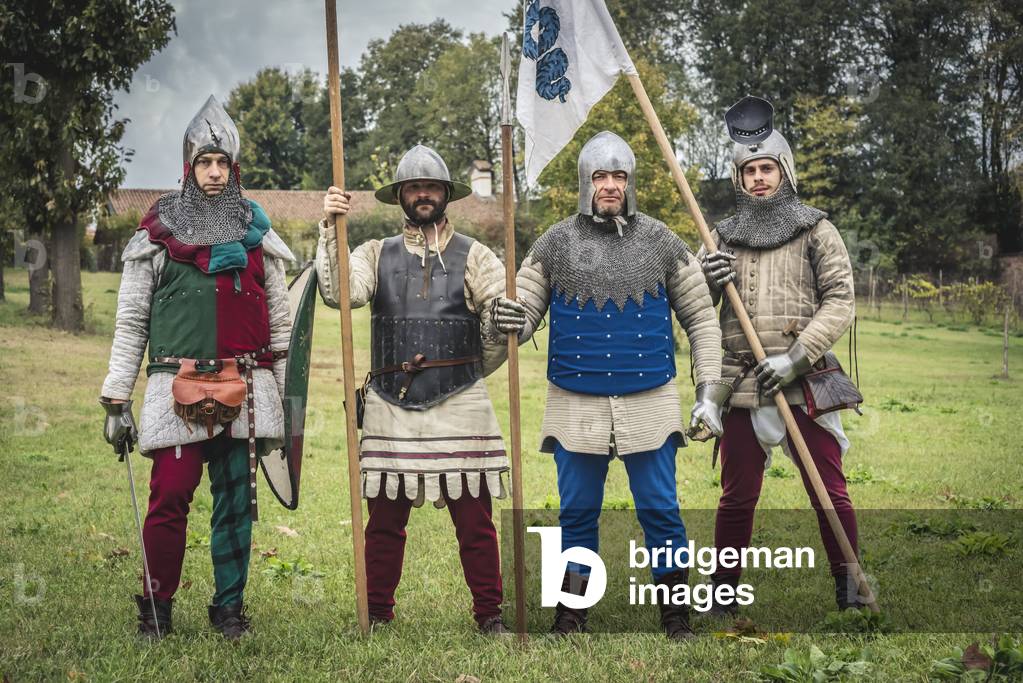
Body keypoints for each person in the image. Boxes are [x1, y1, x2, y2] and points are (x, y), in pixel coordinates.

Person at [505, 131, 728, 640]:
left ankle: (675, 618)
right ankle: (571, 615)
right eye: (601, 176)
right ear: (585, 182)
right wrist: (508, 316)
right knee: (576, 515)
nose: (610, 185)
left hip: (650, 399)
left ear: (630, 183)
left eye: (619, 176)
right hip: (574, 402)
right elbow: (524, 318)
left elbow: (701, 321)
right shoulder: (554, 244)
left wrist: (708, 394)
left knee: (661, 512)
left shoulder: (663, 242)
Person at [100, 95, 295, 639]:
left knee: (236, 505)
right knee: (169, 499)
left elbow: (280, 327)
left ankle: (228, 609)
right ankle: (156, 610)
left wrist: (282, 405)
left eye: (222, 163)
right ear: (189, 167)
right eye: (205, 162)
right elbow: (132, 321)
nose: (214, 172)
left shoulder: (257, 235)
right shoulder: (157, 233)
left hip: (247, 386)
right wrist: (116, 398)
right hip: (173, 387)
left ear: (235, 170)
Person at [315, 145, 518, 634]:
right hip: (390, 402)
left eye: (431, 187)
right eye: (414, 187)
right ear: (401, 196)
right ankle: (378, 613)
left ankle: (489, 615)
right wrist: (329, 229)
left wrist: (504, 323)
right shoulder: (372, 252)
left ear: (446, 194)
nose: (423, 194)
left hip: (461, 399)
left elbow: (500, 320)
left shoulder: (476, 254)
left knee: (475, 520)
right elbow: (342, 293)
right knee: (384, 520)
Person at [697, 96, 863, 612]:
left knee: (828, 490)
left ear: (783, 171)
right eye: (749, 171)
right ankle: (724, 593)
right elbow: (697, 312)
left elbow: (841, 301)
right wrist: (705, 279)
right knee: (738, 495)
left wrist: (796, 358)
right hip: (743, 382)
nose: (759, 178)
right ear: (739, 178)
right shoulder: (719, 237)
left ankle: (850, 586)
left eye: (767, 168)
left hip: (802, 378)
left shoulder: (817, 228)